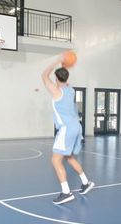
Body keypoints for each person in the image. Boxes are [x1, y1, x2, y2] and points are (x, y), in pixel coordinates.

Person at [41, 57, 95, 205]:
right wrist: (63, 69)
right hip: (77, 127)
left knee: (55, 160)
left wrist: (56, 61)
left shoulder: (57, 91)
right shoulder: (70, 89)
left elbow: (44, 75)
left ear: (57, 78)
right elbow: (64, 81)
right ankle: (86, 182)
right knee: (69, 157)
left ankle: (66, 193)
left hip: (66, 128)